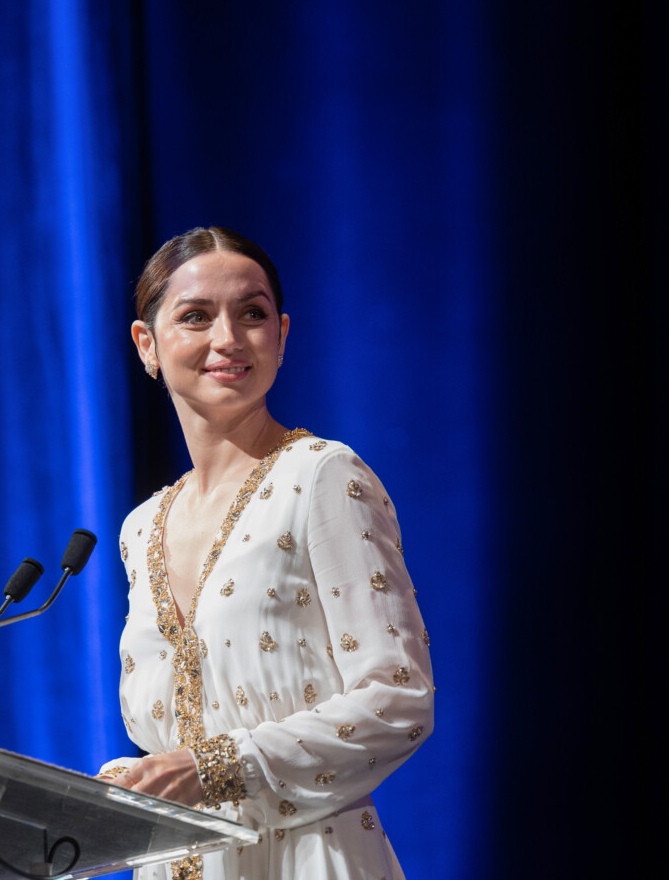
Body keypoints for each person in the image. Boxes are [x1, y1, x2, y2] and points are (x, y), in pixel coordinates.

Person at [99, 228, 434, 880]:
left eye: (251, 313)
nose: (227, 338)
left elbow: (399, 699)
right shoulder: (141, 529)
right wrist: (119, 788)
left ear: (280, 334)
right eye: (196, 316)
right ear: (147, 344)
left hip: (308, 858)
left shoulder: (322, 477)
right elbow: (167, 735)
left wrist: (219, 765)